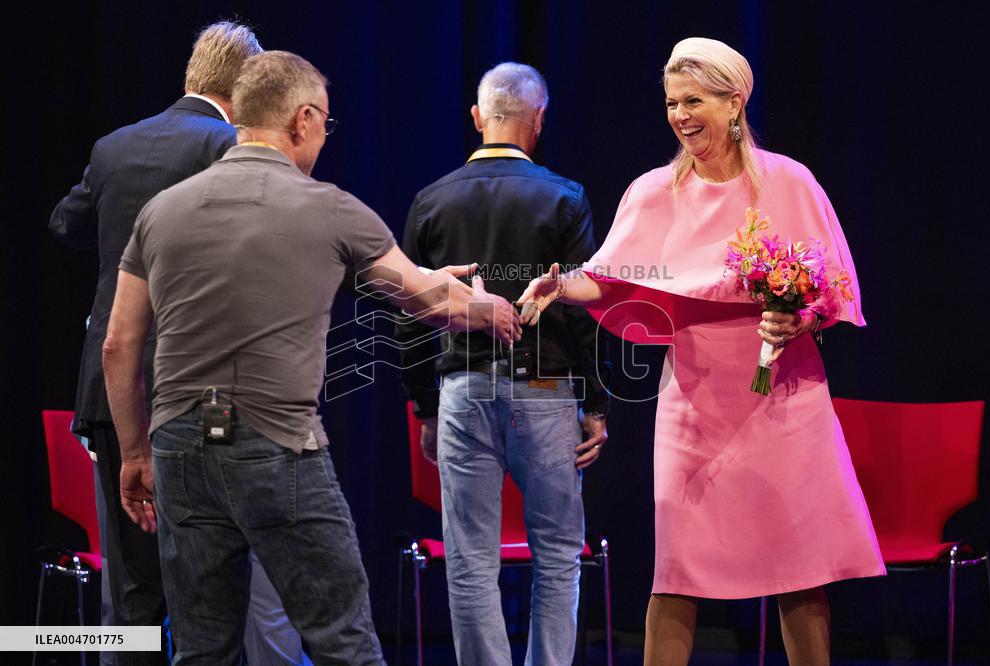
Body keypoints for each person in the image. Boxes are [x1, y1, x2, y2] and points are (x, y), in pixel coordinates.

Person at [102, 50, 519, 665]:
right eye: (325, 122)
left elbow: (118, 346)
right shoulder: (330, 207)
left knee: (200, 650)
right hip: (276, 444)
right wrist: (492, 310)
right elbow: (433, 303)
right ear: (301, 120)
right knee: (343, 642)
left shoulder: (160, 212)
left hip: (179, 448)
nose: (325, 136)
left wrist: (134, 453)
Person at [517, 37, 884, 665]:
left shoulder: (790, 182)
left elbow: (835, 288)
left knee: (799, 566)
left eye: (694, 101)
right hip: (694, 398)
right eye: (670, 104)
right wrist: (562, 285)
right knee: (679, 568)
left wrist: (801, 319)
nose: (680, 116)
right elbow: (609, 275)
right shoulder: (655, 191)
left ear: (734, 101)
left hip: (786, 399)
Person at [49, 21, 310, 666]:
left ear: (190, 75)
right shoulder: (232, 146)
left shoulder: (114, 147)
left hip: (113, 392)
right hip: (208, 394)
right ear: (247, 87)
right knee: (215, 581)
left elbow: (64, 224)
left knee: (132, 589)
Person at [395, 62, 609, 665]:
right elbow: (579, 309)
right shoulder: (566, 198)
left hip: (462, 392)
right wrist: (594, 405)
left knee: (469, 563)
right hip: (545, 390)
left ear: (477, 118)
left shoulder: (430, 201)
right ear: (538, 121)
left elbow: (407, 314)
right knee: (558, 556)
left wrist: (425, 407)